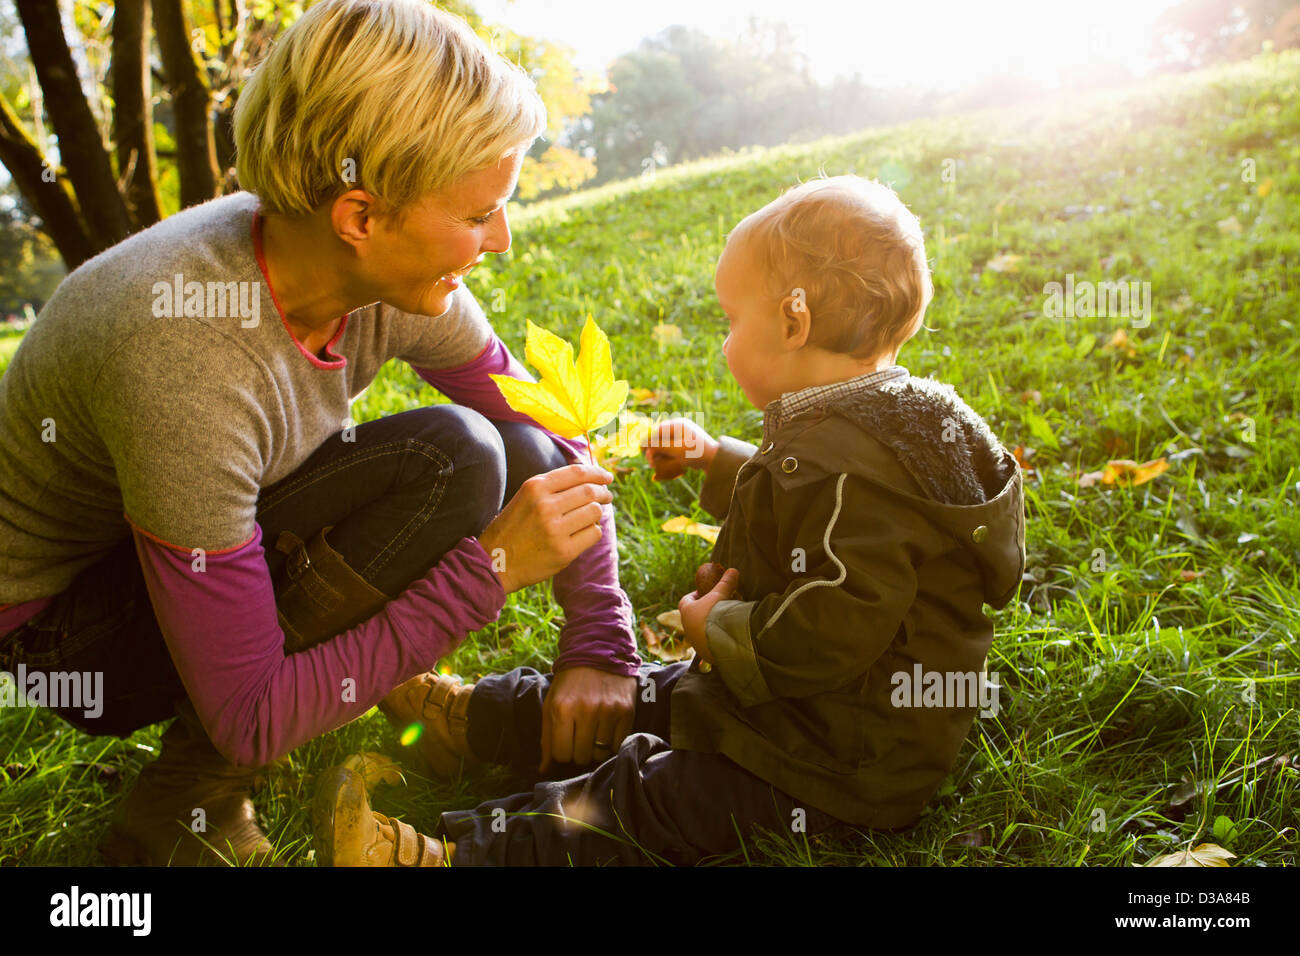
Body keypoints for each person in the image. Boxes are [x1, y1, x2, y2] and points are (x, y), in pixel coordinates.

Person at [0, 0, 641, 866]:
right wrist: (486, 574)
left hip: (176, 540)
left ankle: (357, 669)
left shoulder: (379, 273)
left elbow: (552, 432)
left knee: (511, 447)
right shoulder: (182, 349)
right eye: (480, 213)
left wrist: (598, 641)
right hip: (66, 637)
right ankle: (181, 808)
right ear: (362, 217)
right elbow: (252, 715)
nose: (503, 239)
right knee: (449, 459)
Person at [312, 174, 1028, 866]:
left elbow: (840, 618)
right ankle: (475, 725)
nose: (724, 341)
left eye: (731, 319)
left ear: (792, 320)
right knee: (648, 694)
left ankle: (459, 856)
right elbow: (805, 497)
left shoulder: (858, 468)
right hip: (790, 713)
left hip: (830, 764)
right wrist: (717, 460)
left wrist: (718, 627)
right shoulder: (885, 429)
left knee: (643, 794)